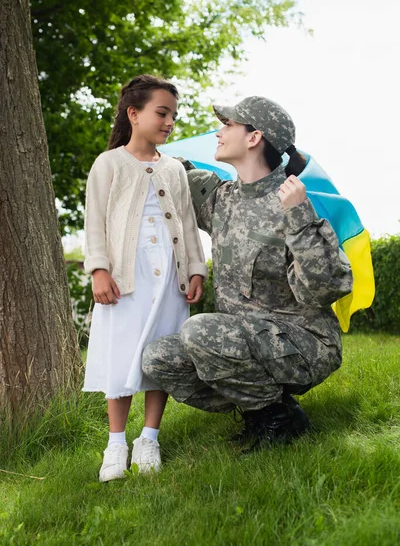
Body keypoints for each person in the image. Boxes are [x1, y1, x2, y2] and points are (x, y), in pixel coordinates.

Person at [142, 95, 354, 451]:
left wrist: (299, 217)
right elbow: (165, 169)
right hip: (239, 340)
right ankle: (269, 409)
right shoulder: (222, 197)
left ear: (254, 137)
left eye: (228, 125)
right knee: (159, 360)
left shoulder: (295, 202)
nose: (219, 133)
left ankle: (277, 420)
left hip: (303, 344)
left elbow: (324, 289)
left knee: (199, 330)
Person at [83, 75, 208, 481]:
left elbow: (188, 223)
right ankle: (116, 444)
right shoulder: (109, 163)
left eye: (173, 114)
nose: (170, 121)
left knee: (163, 354)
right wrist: (99, 269)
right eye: (162, 112)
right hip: (125, 276)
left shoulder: (174, 169)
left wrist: (195, 268)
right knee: (121, 356)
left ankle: (149, 438)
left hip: (169, 274)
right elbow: (95, 222)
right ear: (133, 114)